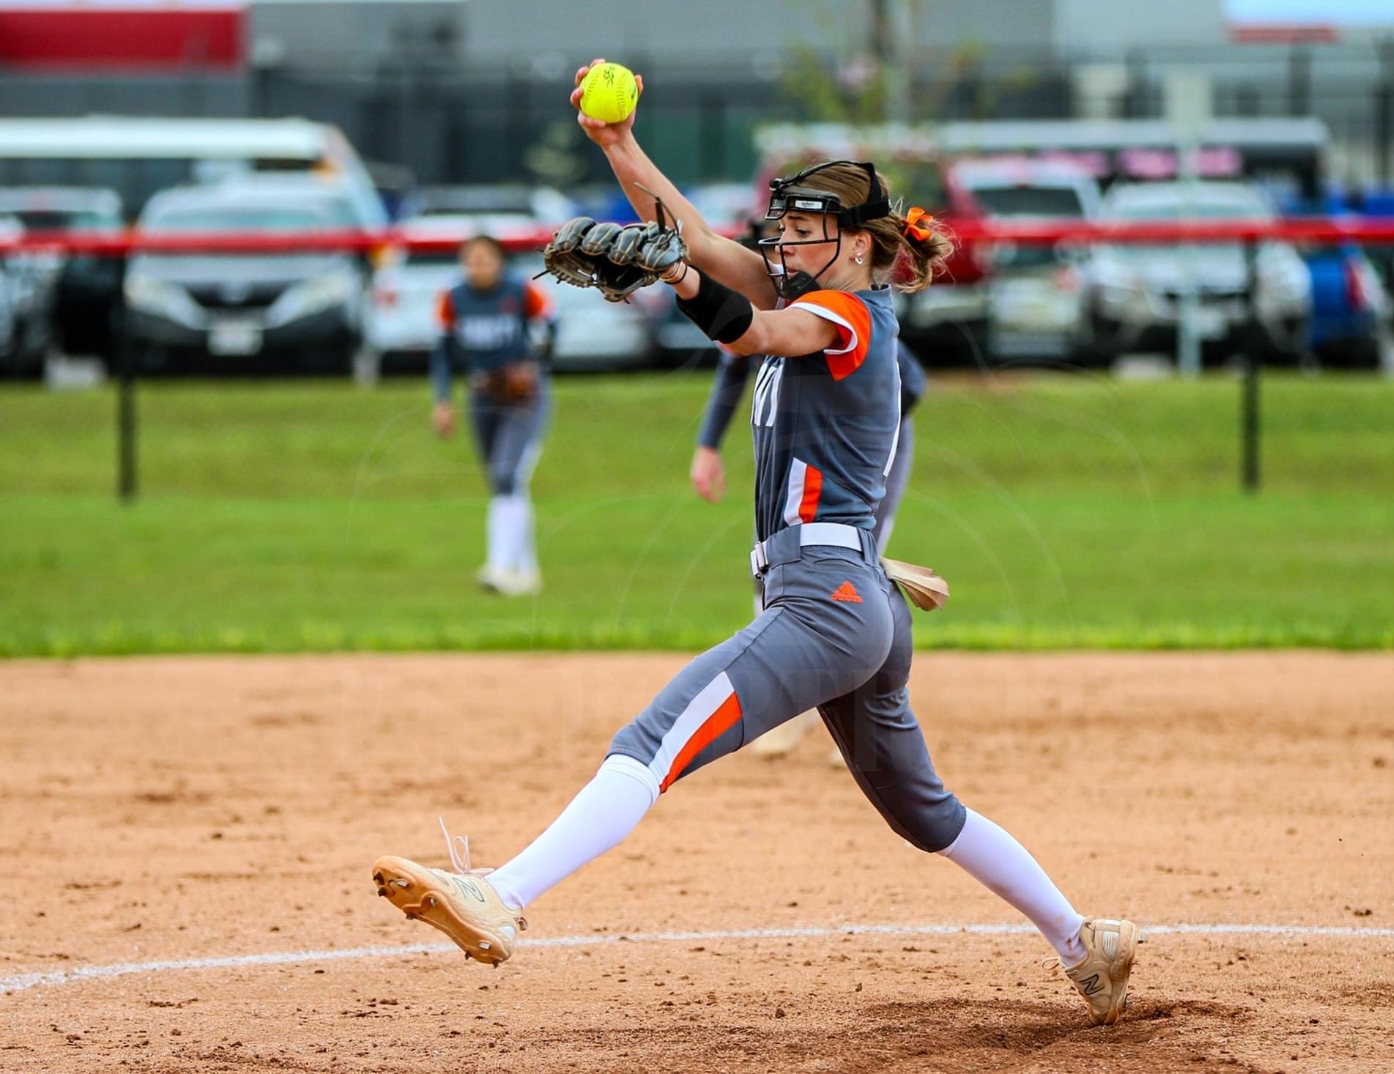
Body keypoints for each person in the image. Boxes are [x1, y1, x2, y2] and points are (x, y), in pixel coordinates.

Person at [373, 59, 1138, 1027]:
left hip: (826, 600)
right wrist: (619, 146)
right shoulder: (817, 285)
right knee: (923, 812)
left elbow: (752, 335)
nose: (785, 240)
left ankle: (504, 896)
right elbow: (688, 233)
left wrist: (686, 278)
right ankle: (1085, 942)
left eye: (809, 230)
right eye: (786, 226)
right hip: (856, 596)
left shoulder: (850, 313)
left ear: (861, 247)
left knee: (650, 741)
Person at [692, 222, 929, 759]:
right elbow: (735, 366)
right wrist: (707, 445)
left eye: (794, 240)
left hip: (866, 449)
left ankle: (850, 704)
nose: (780, 253)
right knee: (780, 565)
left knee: (843, 565)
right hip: (808, 441)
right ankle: (804, 697)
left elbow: (909, 385)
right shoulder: (777, 305)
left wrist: (852, 438)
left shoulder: (843, 314)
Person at [431, 234, 557, 596]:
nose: (478, 265)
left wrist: (535, 365)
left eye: (485, 258)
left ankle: (499, 567)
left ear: (500, 261)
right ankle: (527, 572)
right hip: (481, 394)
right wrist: (442, 401)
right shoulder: (454, 298)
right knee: (504, 482)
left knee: (507, 475)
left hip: (523, 397)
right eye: (471, 259)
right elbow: (442, 353)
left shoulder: (519, 292)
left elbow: (551, 326)